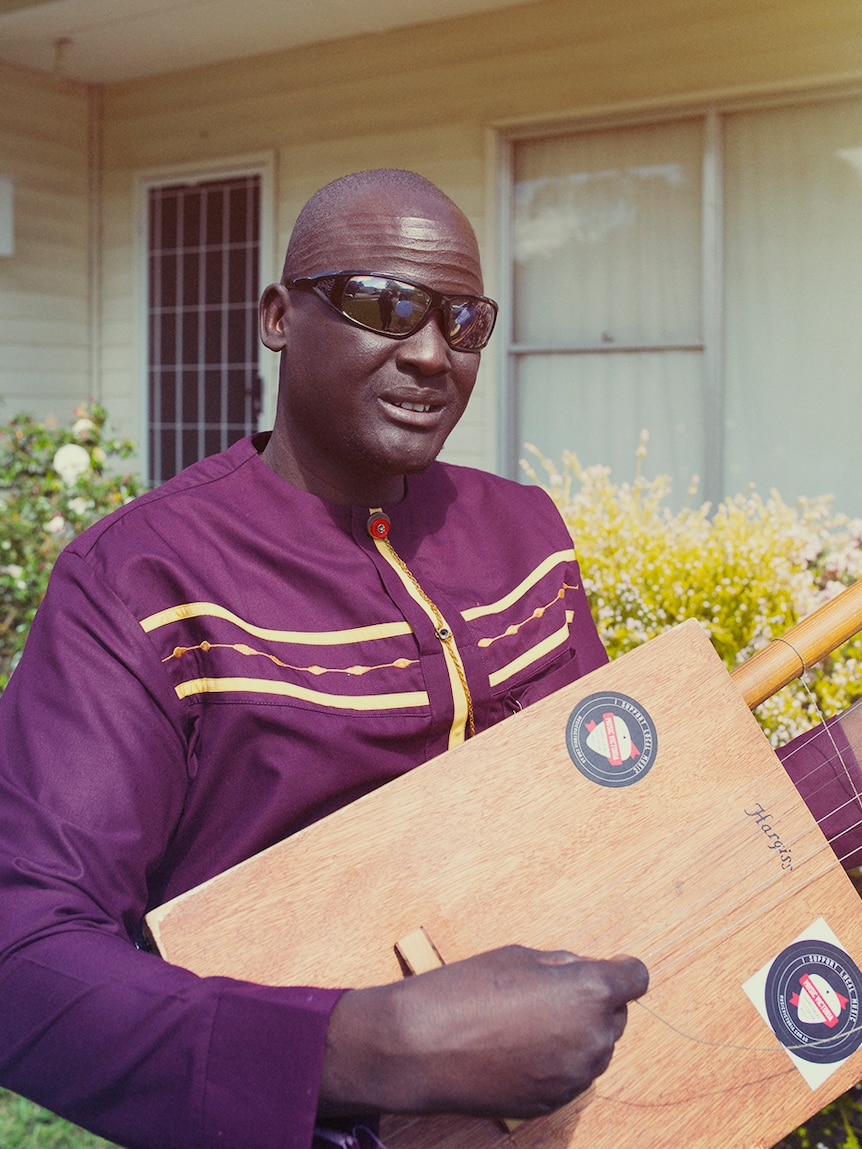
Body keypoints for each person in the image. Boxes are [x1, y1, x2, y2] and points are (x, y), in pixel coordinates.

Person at [0, 168, 858, 1149]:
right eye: (383, 305)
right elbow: (23, 952)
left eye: (464, 322)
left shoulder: (522, 532)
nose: (430, 355)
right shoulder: (142, 580)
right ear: (280, 315)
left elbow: (618, 830)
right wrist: (363, 1048)